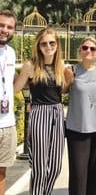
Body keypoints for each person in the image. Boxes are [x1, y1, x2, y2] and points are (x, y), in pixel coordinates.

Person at [14, 27, 69, 195]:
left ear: (57, 45)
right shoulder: (31, 65)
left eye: (52, 43)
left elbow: (64, 90)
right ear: (38, 46)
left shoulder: (61, 66)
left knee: (55, 167)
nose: (48, 46)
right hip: (39, 113)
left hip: (58, 113)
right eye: (43, 43)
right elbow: (15, 88)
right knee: (39, 166)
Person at [65, 37, 96, 195]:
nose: (88, 51)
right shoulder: (71, 71)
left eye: (92, 49)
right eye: (85, 48)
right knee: (79, 173)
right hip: (78, 128)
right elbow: (60, 91)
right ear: (80, 50)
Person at [0, 10, 17, 195]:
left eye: (9, 27)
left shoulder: (11, 53)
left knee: (2, 171)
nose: (4, 30)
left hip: (7, 122)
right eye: (1, 25)